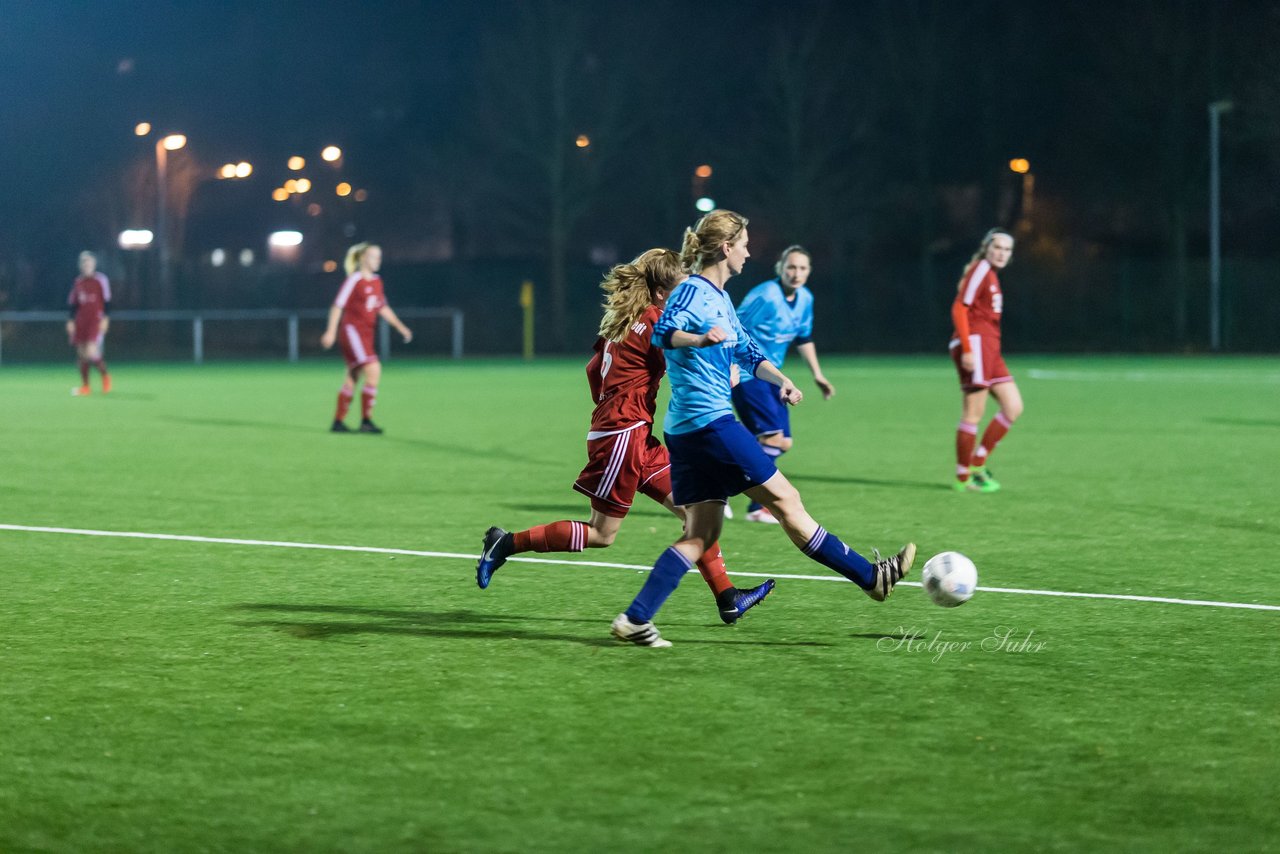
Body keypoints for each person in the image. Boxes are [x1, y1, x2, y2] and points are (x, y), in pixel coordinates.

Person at [610, 211, 915, 648]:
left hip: (690, 430)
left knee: (700, 535)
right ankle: (872, 579)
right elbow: (663, 334)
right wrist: (699, 340)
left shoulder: (718, 296)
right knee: (787, 501)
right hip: (710, 425)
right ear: (726, 248)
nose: (751, 252)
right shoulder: (693, 291)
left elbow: (749, 351)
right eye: (745, 243)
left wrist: (782, 380)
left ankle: (636, 618)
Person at [474, 248, 775, 625]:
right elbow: (691, 367)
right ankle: (506, 543)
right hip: (623, 436)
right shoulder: (654, 323)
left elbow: (593, 371)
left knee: (697, 514)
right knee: (602, 535)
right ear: (663, 294)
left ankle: (728, 597)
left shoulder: (627, 319)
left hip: (634, 435)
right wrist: (727, 371)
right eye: (682, 290)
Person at [730, 244, 835, 523]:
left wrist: (817, 375)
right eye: (791, 267)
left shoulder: (805, 299)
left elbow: (803, 337)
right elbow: (732, 328)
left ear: (809, 272)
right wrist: (729, 367)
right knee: (772, 438)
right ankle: (748, 503)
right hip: (748, 375)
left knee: (783, 442)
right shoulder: (764, 296)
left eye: (802, 268)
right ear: (780, 268)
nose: (796, 273)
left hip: (773, 378)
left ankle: (725, 485)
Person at [949, 228, 1023, 492]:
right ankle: (963, 478)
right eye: (998, 247)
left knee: (1013, 406)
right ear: (986, 248)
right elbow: (960, 307)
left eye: (1007, 249)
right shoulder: (981, 268)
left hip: (990, 349)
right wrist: (968, 349)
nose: (1002, 253)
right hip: (977, 346)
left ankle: (978, 463)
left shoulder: (990, 275)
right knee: (973, 414)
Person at [320, 242, 412, 434]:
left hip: (366, 335)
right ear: (363, 258)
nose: (378, 260)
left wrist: (400, 327)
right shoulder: (354, 280)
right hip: (352, 332)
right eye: (373, 256)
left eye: (379, 256)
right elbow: (338, 305)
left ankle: (338, 422)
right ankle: (366, 421)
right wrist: (330, 331)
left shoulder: (377, 281)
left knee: (353, 377)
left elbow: (382, 308)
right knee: (374, 369)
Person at [66, 251, 112, 396]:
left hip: (95, 321)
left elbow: (107, 302)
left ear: (94, 264)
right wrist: (70, 321)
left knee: (91, 352)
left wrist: (106, 319)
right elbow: (73, 305)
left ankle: (105, 376)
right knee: (81, 355)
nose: (87, 265)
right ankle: (86, 386)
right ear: (80, 266)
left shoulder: (101, 280)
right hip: (81, 321)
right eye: (84, 263)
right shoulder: (78, 282)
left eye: (89, 262)